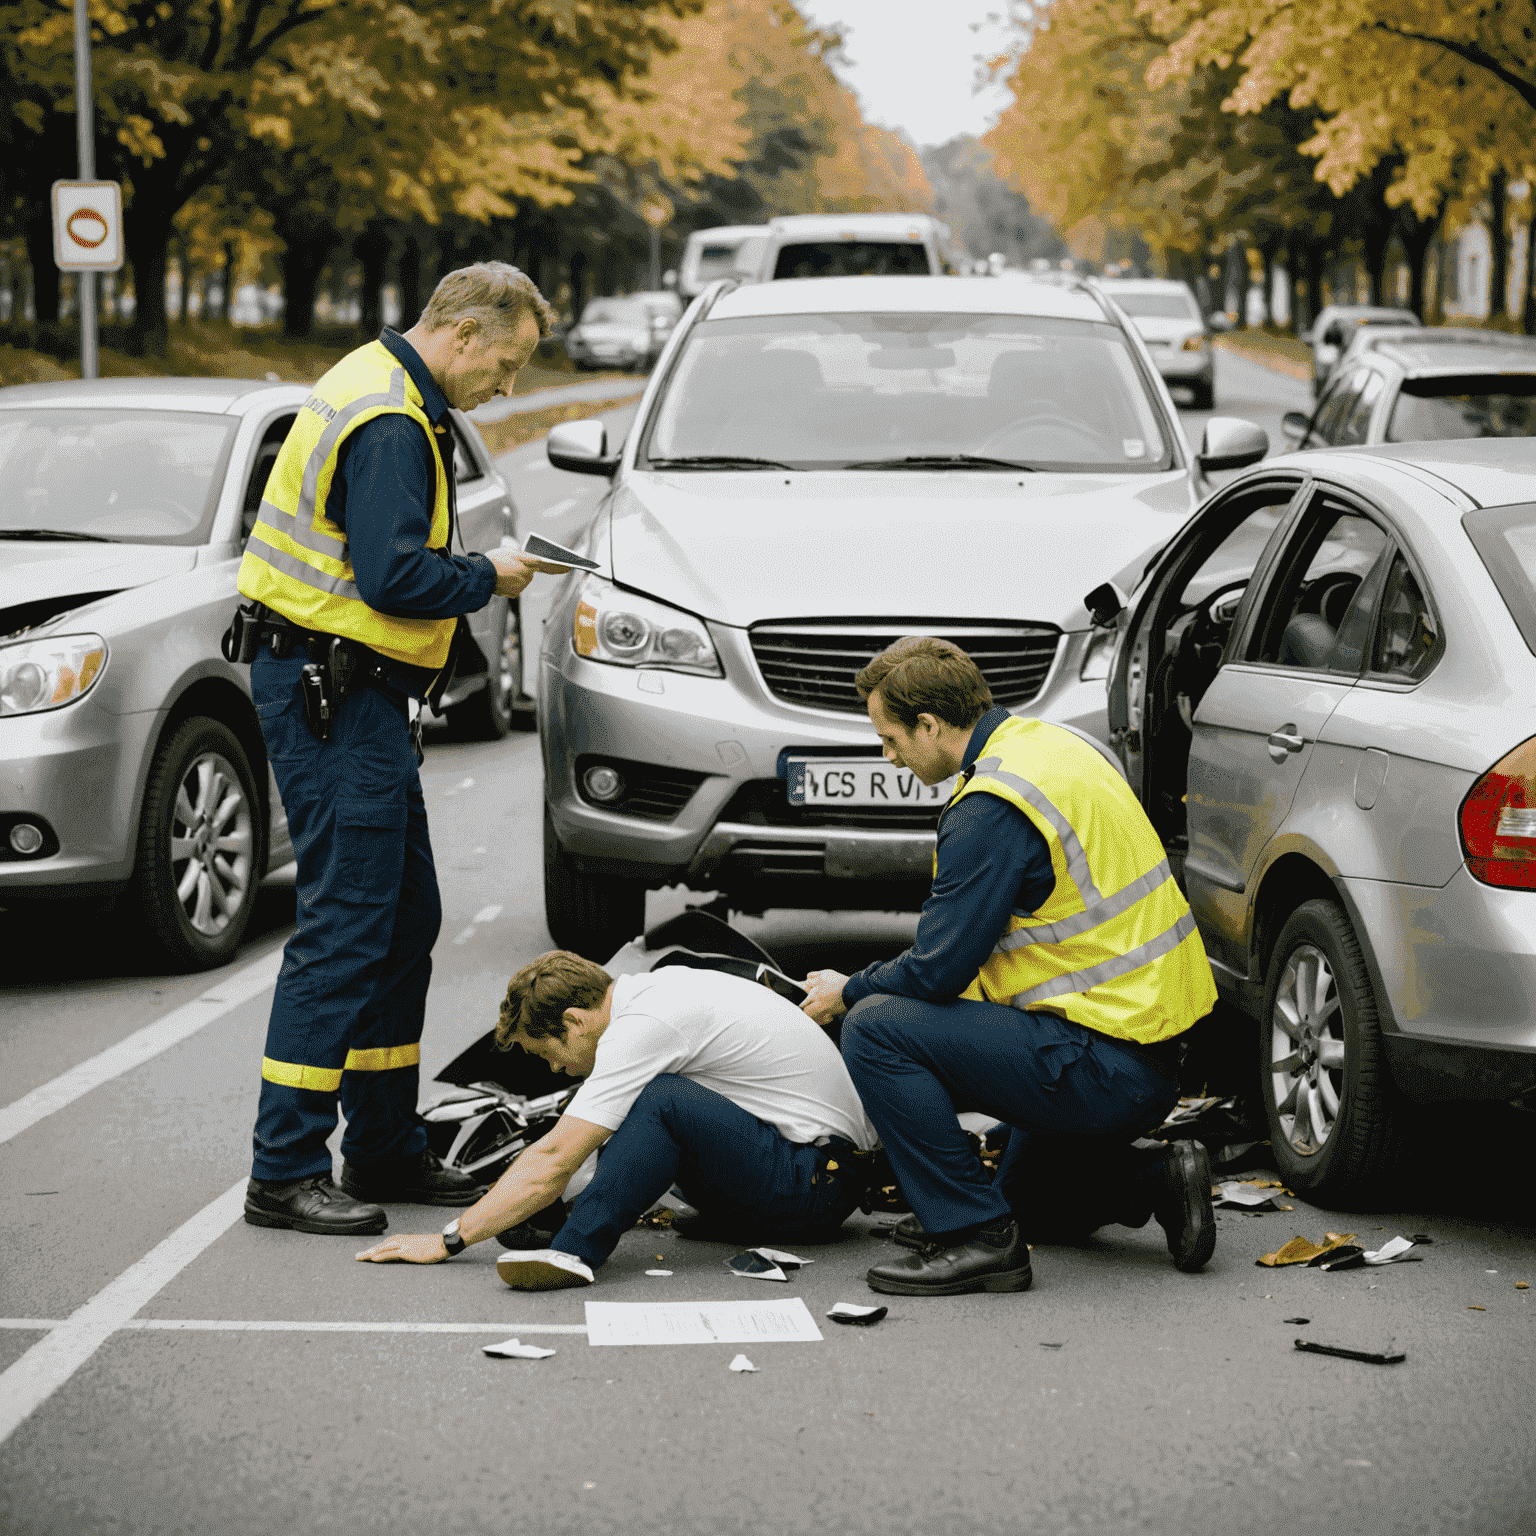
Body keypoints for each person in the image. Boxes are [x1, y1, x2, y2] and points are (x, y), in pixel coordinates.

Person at [235, 263, 571, 1237]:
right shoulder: (389, 420)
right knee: (348, 927)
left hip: (349, 692)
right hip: (333, 692)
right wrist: (489, 573)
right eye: (504, 364)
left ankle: (383, 1145)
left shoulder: (384, 391)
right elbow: (393, 577)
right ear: (463, 334)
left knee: (398, 917)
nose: (505, 387)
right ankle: (285, 1167)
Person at [799, 636, 1218, 1297]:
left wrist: (847, 990)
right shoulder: (1048, 748)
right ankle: (1160, 1180)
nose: (888, 755)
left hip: (1098, 1061)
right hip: (1148, 1047)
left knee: (876, 1029)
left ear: (930, 725)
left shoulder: (992, 808)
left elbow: (936, 972)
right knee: (1022, 1200)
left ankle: (975, 1238)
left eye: (890, 739)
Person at [354, 951, 879, 1286]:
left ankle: (574, 1250)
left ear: (573, 1021)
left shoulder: (644, 1026)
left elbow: (559, 1155)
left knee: (661, 1100)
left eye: (546, 1054)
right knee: (639, 1105)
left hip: (817, 1186)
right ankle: (567, 1217)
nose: (555, 1068)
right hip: (811, 1169)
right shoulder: (653, 991)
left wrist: (451, 1238)